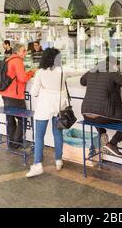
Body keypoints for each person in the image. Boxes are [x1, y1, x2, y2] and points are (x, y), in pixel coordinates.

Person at [26, 48, 81, 178]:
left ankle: (38, 165)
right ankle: (58, 160)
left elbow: (33, 92)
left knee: (39, 136)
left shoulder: (40, 72)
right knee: (58, 133)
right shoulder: (63, 70)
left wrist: (44, 90)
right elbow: (81, 71)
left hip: (44, 106)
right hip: (58, 106)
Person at [80, 56, 122, 157]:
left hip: (86, 114)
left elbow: (82, 81)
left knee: (95, 113)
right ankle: (112, 143)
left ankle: (102, 133)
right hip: (104, 115)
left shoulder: (92, 71)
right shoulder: (113, 72)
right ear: (115, 65)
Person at [0, 43, 35, 149]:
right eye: (23, 51)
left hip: (5, 93)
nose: (25, 53)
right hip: (15, 95)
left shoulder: (8, 60)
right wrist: (31, 73)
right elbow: (23, 78)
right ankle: (16, 143)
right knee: (22, 119)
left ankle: (11, 142)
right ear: (17, 52)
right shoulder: (18, 61)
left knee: (10, 119)